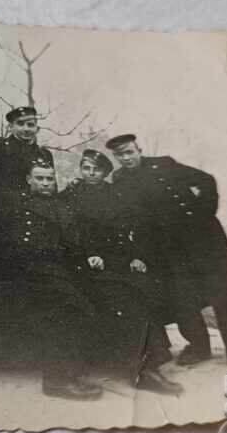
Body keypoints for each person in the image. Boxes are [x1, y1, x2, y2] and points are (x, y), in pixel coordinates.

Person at [106, 134, 227, 371]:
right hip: (167, 247)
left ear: (139, 149)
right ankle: (199, 346)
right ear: (115, 157)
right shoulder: (119, 181)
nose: (126, 158)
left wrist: (203, 214)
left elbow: (206, 180)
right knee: (182, 297)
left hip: (203, 238)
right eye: (120, 154)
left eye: (129, 151)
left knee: (226, 292)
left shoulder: (165, 165)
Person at [64, 149, 183, 394]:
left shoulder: (115, 195)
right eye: (86, 168)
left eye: (96, 169)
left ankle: (150, 360)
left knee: (145, 289)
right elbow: (67, 232)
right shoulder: (70, 194)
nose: (90, 173)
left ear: (106, 172)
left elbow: (126, 231)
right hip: (81, 262)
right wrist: (87, 254)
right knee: (124, 297)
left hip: (115, 260)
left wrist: (135, 256)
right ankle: (143, 368)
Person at [0, 159, 104, 401]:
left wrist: (89, 257)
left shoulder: (62, 207)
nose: (45, 183)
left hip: (56, 271)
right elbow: (2, 241)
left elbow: (74, 244)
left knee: (85, 305)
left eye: (49, 178)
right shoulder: (16, 204)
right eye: (39, 178)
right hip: (24, 273)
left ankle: (72, 372)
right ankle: (57, 380)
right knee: (67, 309)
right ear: (29, 180)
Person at [0, 106, 54, 191]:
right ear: (11, 127)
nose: (26, 129)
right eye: (20, 124)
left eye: (30, 125)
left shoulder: (45, 154)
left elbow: (51, 188)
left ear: (36, 128)